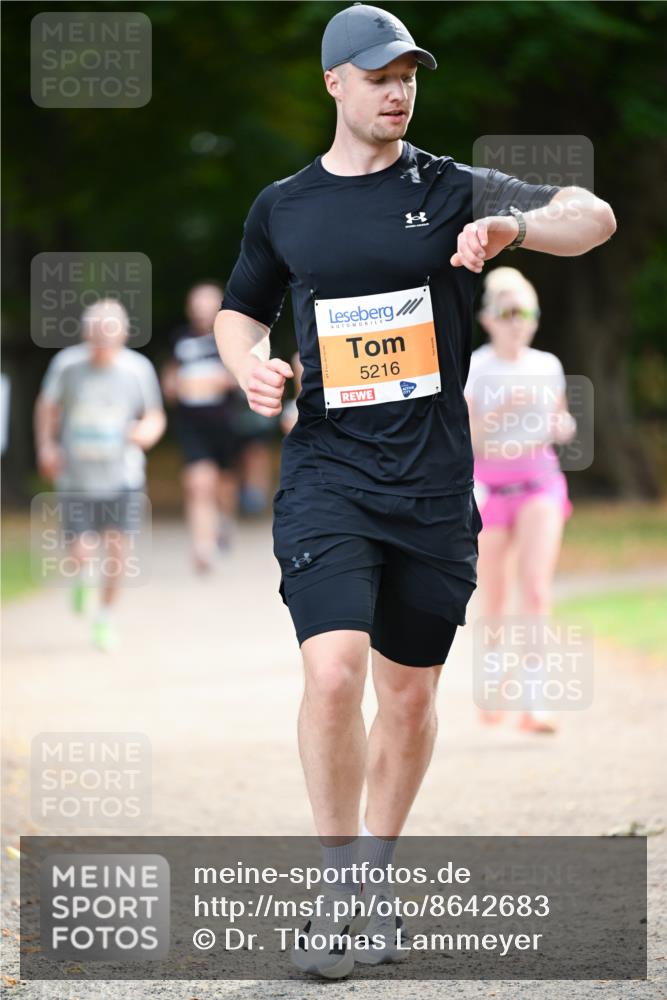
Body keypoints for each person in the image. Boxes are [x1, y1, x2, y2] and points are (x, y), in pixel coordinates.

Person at [214, 3, 616, 979]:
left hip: (433, 489)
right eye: (378, 74)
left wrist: (513, 224)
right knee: (334, 670)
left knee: (406, 694)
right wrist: (252, 368)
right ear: (334, 84)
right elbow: (239, 311)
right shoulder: (285, 205)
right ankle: (337, 884)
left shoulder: (447, 188)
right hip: (327, 477)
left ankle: (378, 876)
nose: (397, 90)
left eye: (408, 75)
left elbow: (592, 216)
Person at [465, 267, 577, 734]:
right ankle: (494, 683)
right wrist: (504, 410)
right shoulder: (475, 367)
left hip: (539, 482)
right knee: (494, 594)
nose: (516, 321)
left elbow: (560, 418)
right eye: (506, 312)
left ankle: (534, 701)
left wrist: (562, 427)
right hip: (490, 486)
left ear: (534, 318)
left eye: (524, 312)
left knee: (534, 588)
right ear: (488, 319)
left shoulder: (547, 365)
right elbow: (466, 440)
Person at [34, 299, 165, 651]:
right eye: (96, 334)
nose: (102, 341)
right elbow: (47, 406)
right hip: (76, 477)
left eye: (109, 334)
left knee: (118, 550)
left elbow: (154, 415)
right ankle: (81, 577)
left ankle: (105, 617)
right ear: (86, 333)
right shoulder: (67, 365)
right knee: (82, 552)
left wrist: (146, 433)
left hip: (123, 476)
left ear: (123, 334)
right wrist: (46, 446)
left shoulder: (138, 369)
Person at [161, 282, 240, 571]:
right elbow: (170, 377)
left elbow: (241, 375)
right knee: (198, 484)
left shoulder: (230, 338)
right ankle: (202, 547)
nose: (202, 311)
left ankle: (225, 523)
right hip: (191, 424)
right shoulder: (180, 339)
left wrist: (214, 381)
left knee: (224, 485)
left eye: (208, 304)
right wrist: (173, 385)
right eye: (198, 304)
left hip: (225, 423)